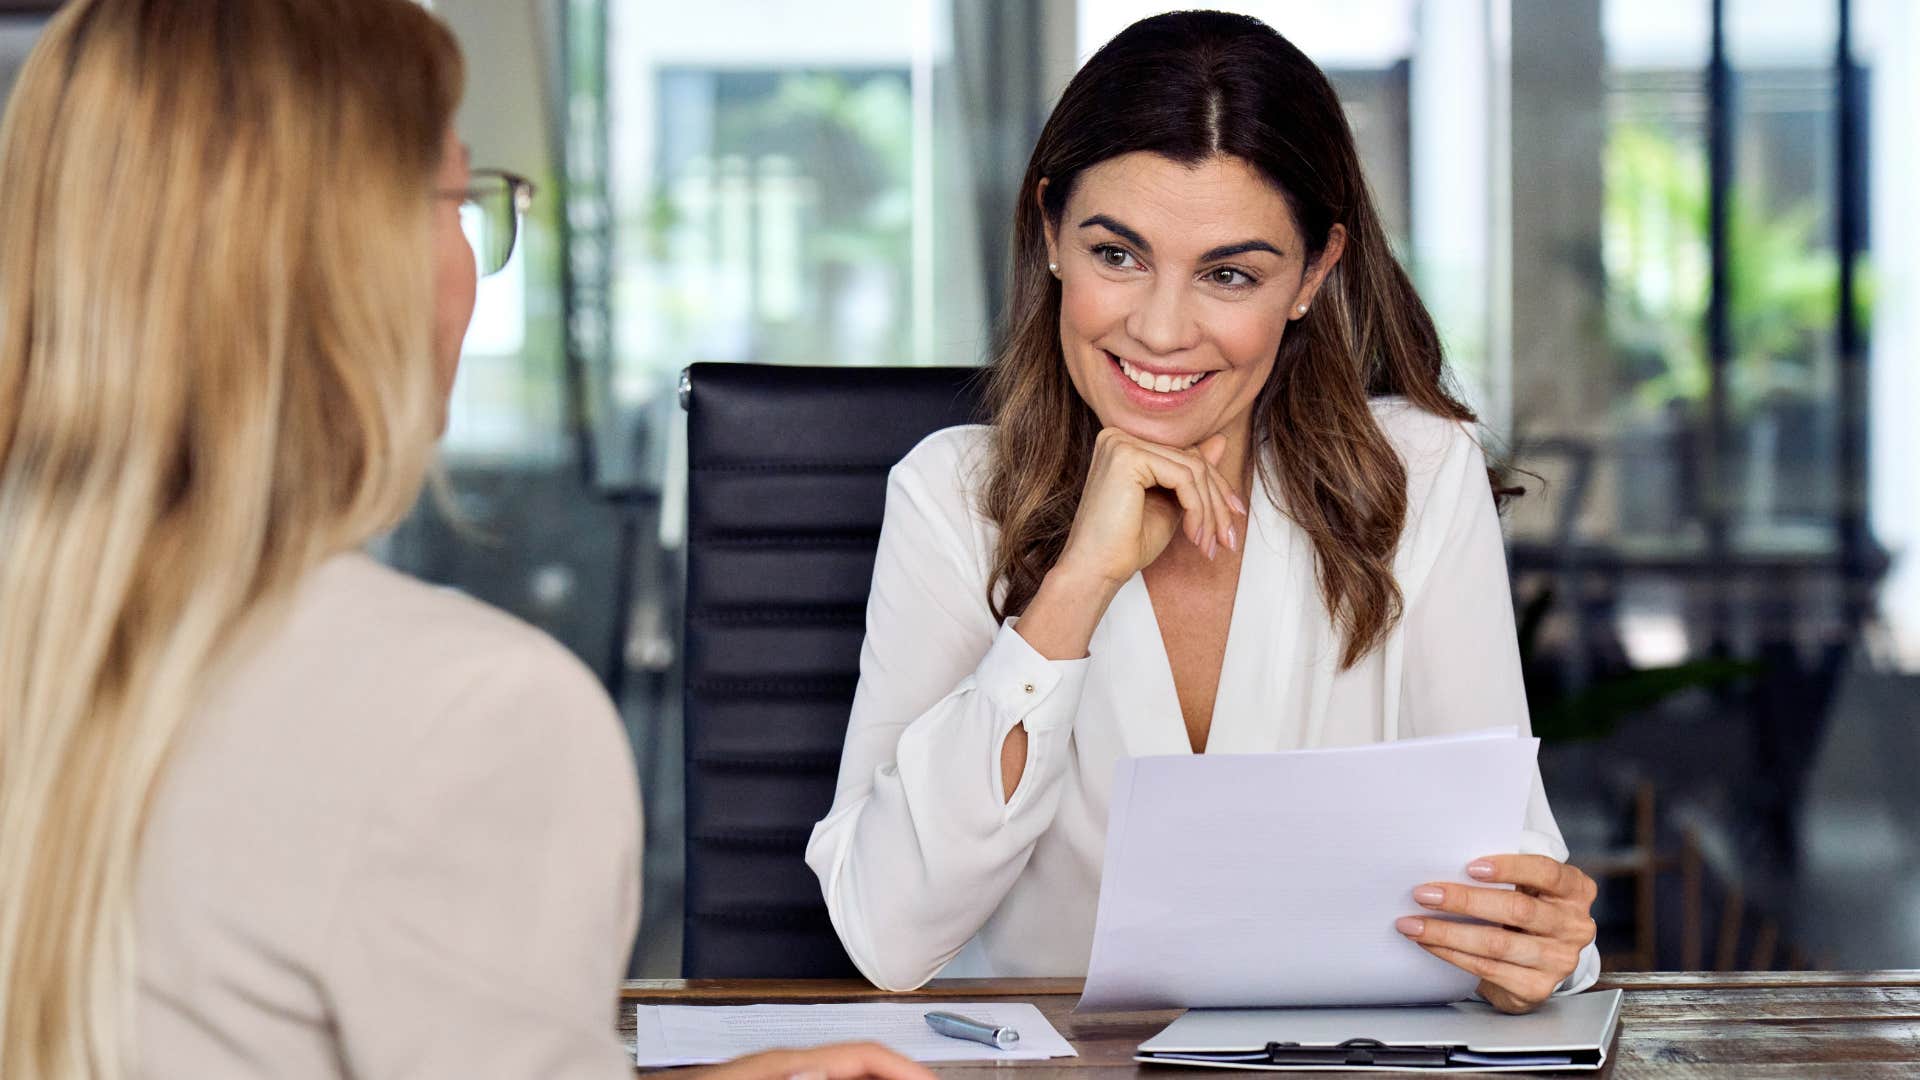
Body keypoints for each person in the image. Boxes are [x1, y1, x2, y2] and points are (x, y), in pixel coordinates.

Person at [0, 3, 932, 1079]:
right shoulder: (468, 715)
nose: (469, 257)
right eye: (460, 197)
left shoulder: (58, 644)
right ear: (358, 266)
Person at [807, 11, 1601, 1014]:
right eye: (1118, 255)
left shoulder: (1418, 479)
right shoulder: (952, 498)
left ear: (1313, 274)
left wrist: (1536, 948)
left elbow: (1513, 881)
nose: (1161, 328)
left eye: (1230, 273)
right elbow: (888, 934)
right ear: (1051, 232)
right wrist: (1075, 590)